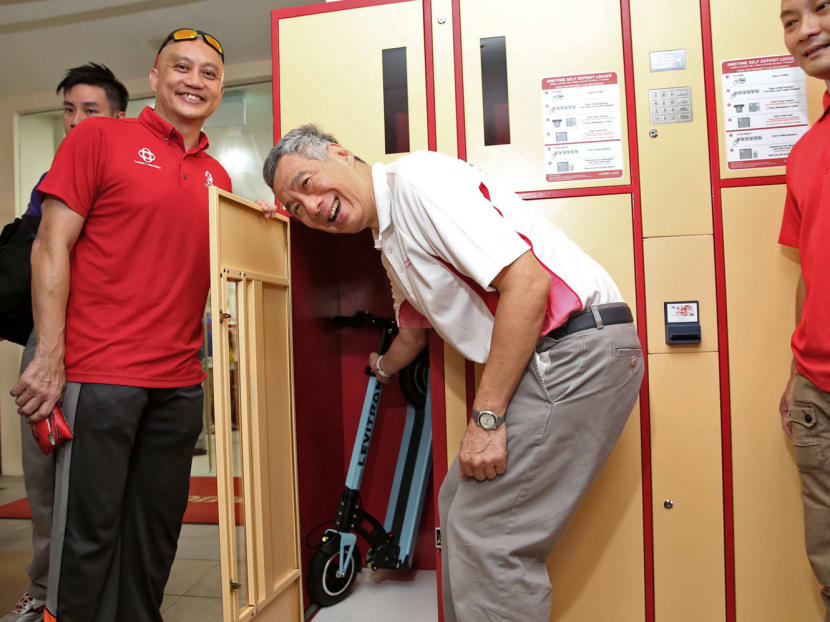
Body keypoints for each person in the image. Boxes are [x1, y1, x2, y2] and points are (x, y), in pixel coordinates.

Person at [262, 125, 644, 621]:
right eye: (294, 207)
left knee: (486, 535)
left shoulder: (418, 182)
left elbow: (528, 285)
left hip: (574, 351)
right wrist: (381, 368)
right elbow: (414, 333)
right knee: (458, 506)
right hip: (553, 358)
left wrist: (486, 421)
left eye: (307, 183)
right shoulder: (388, 238)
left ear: (340, 153)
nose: (310, 207)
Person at [9, 28, 230, 622]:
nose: (194, 80)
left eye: (209, 73)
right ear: (154, 79)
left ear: (220, 89)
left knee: (155, 535)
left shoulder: (219, 178)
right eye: (180, 67)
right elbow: (49, 249)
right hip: (98, 376)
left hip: (180, 384)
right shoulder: (99, 138)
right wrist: (49, 356)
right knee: (86, 538)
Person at [1, 62, 128, 622]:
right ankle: (45, 592)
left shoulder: (125, 172)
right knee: (45, 481)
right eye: (68, 111)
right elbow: (39, 252)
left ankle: (86, 597)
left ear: (118, 118)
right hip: (46, 340)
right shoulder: (51, 179)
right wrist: (45, 351)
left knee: (101, 489)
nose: (76, 121)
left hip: (108, 348)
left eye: (90, 110)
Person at [778, 1, 830, 618]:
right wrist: (793, 373)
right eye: (791, 20)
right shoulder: (805, 150)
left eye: (820, 8)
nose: (807, 29)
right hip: (817, 391)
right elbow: (806, 270)